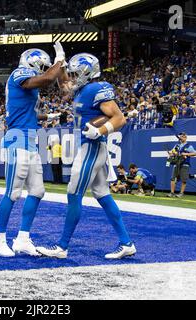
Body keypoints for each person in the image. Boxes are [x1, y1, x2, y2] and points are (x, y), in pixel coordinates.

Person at [37, 52, 136, 260]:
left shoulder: (95, 88)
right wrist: (61, 63)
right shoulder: (82, 89)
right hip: (90, 146)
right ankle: (126, 243)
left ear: (86, 72)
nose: (72, 77)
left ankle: (62, 246)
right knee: (102, 194)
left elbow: (119, 118)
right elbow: (64, 86)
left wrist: (100, 131)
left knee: (74, 194)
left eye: (75, 73)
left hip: (92, 146)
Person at [0, 42, 67, 257]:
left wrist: (49, 116)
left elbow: (28, 113)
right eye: (41, 66)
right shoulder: (19, 73)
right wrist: (59, 61)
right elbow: (45, 79)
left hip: (30, 139)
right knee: (13, 193)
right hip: (17, 140)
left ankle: (22, 238)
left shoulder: (25, 83)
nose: (43, 71)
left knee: (37, 191)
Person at [167, 132, 196, 198]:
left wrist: (186, 154)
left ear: (186, 138)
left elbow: (194, 153)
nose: (182, 137)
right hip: (176, 163)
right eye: (181, 136)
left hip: (185, 164)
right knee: (173, 178)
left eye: (183, 136)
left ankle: (181, 193)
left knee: (183, 179)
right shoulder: (176, 145)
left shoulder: (189, 146)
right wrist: (171, 154)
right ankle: (172, 192)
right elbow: (172, 153)